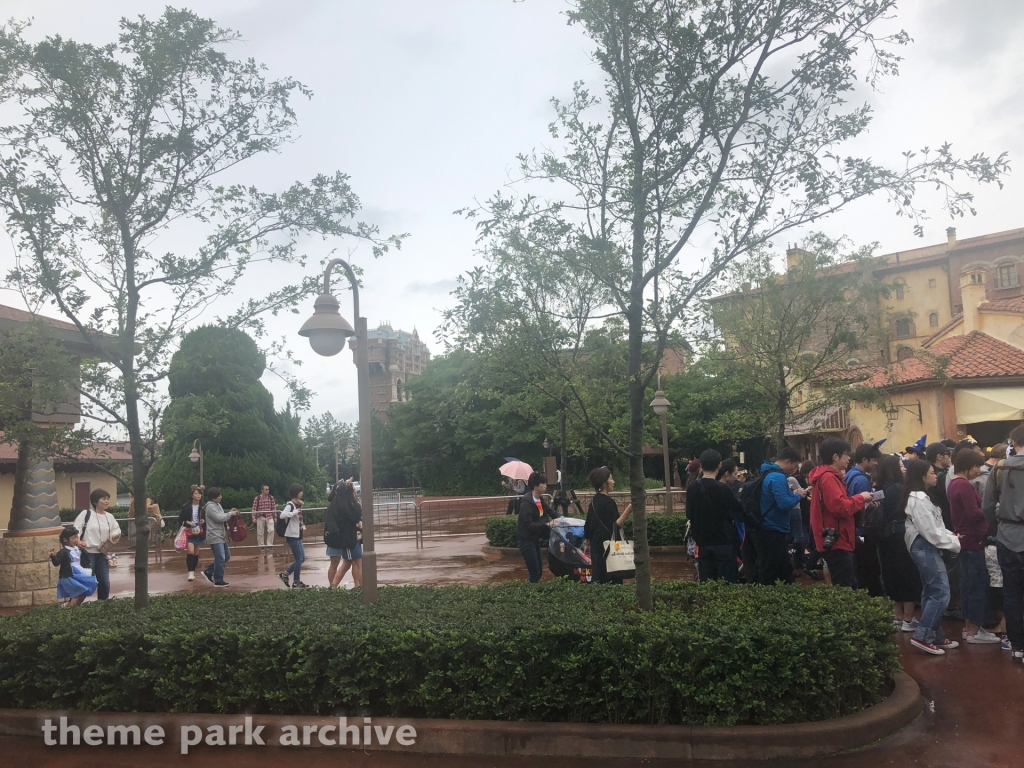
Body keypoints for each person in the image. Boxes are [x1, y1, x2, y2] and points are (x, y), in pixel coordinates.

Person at [904, 459, 962, 655]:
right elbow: (931, 532)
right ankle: (923, 635)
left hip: (926, 545)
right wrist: (954, 543)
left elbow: (935, 527)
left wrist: (951, 536)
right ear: (921, 476)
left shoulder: (921, 497)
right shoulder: (918, 499)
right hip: (925, 546)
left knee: (931, 591)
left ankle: (934, 633)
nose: (935, 476)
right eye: (931, 472)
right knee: (941, 592)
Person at [982, 424, 1024, 664]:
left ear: (1013, 441)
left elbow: (987, 506)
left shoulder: (999, 468)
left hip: (1007, 536)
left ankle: (1018, 646)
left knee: (1012, 593)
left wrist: (995, 528)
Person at [949, 448, 1000, 644]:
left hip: (965, 540)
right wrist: (990, 510)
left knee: (968, 585)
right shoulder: (963, 485)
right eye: (977, 466)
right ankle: (975, 628)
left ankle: (969, 626)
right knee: (977, 586)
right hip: (974, 541)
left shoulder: (954, 484)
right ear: (968, 467)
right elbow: (974, 513)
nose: (979, 470)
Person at [809, 438, 873, 589]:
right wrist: (861, 497)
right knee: (846, 587)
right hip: (837, 540)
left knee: (848, 583)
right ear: (835, 457)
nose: (849, 458)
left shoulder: (826, 476)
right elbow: (840, 507)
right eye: (846, 454)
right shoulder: (829, 477)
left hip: (836, 538)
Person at [875, 455, 921, 631]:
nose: (904, 468)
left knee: (890, 574)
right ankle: (909, 618)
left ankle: (898, 615)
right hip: (902, 536)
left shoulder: (879, 488)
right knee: (908, 574)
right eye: (901, 465)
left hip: (884, 536)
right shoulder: (902, 489)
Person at [686, 450, 744, 583]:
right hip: (723, 541)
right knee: (727, 583)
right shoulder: (723, 489)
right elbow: (739, 511)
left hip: (702, 543)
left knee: (707, 583)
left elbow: (689, 514)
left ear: (701, 466)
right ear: (719, 465)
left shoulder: (693, 487)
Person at [755, 448, 807, 585]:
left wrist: (792, 493)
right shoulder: (777, 477)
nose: (795, 470)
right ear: (788, 461)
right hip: (773, 529)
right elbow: (784, 504)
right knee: (771, 570)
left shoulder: (769, 473)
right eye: (795, 465)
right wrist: (798, 495)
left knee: (783, 568)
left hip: (769, 528)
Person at [584, 467, 632, 584]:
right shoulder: (609, 503)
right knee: (612, 581)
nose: (613, 481)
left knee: (599, 580)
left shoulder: (593, 501)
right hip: (609, 549)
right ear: (604, 482)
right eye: (611, 478)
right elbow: (616, 525)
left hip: (596, 546)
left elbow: (588, 525)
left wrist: (587, 544)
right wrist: (630, 509)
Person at [73, 488, 121, 600]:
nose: (107, 501)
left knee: (104, 582)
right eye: (103, 499)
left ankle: (102, 606)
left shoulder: (109, 517)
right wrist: (78, 540)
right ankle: (74, 606)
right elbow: (76, 529)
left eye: (108, 499)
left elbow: (116, 530)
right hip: (87, 554)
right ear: (95, 501)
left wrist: (114, 536)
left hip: (102, 554)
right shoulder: (86, 514)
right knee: (86, 582)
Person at [516, 472, 560, 583]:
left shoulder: (539, 499)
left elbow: (551, 512)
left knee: (538, 572)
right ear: (536, 486)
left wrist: (563, 519)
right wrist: (547, 524)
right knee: (535, 573)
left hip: (534, 539)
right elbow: (528, 524)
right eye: (543, 484)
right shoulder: (526, 503)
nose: (545, 486)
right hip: (526, 541)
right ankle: (527, 594)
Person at [326, 480, 363, 588]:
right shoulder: (347, 506)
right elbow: (355, 518)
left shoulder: (342, 505)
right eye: (354, 490)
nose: (356, 491)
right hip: (349, 539)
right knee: (358, 564)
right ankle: (364, 589)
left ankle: (332, 587)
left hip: (350, 538)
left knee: (346, 564)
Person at [49, 526, 98, 606]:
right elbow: (56, 563)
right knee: (75, 596)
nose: (76, 540)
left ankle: (75, 609)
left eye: (77, 537)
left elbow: (84, 559)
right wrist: (53, 556)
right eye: (73, 538)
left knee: (83, 593)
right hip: (69, 575)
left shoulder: (78, 548)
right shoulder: (64, 552)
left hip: (80, 573)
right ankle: (69, 612)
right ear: (65, 540)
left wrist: (84, 549)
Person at [201, 487, 238, 587]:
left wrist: (229, 513)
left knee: (226, 556)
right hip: (214, 535)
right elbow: (219, 518)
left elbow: (222, 515)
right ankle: (218, 580)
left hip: (221, 535)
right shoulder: (210, 507)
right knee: (220, 557)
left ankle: (209, 571)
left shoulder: (218, 505)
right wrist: (230, 514)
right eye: (219, 495)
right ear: (213, 497)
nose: (221, 497)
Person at [278, 484, 308, 588]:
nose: (302, 493)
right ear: (296, 492)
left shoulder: (298, 504)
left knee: (302, 558)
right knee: (299, 559)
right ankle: (296, 581)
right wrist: (294, 512)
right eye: (300, 491)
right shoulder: (290, 505)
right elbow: (282, 515)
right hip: (291, 535)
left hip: (298, 534)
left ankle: (285, 574)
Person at [177, 485, 206, 581]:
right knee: (190, 551)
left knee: (196, 552)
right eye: (196, 494)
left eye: (200, 494)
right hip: (189, 531)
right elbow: (180, 519)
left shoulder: (203, 507)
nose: (198, 495)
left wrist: (203, 521)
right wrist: (187, 522)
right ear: (192, 495)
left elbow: (206, 518)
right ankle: (190, 572)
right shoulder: (186, 507)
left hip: (199, 531)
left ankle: (193, 571)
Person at [252, 484, 277, 553]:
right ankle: (262, 546)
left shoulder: (271, 498)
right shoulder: (257, 498)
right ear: (262, 490)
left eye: (268, 489)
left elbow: (273, 508)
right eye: (266, 489)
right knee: (260, 532)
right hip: (260, 516)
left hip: (269, 516)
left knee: (271, 530)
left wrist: (275, 517)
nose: (267, 491)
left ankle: (269, 545)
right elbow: (254, 508)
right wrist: (253, 517)